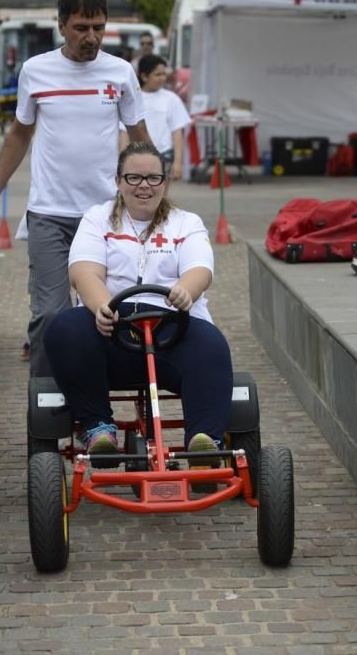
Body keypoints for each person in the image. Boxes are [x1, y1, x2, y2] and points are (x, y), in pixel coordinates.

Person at [0, 0, 152, 377]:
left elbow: (139, 136)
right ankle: (49, 412)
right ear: (62, 25)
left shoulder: (120, 73)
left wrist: (157, 190)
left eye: (99, 27)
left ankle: (91, 407)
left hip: (105, 216)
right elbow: (19, 134)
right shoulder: (36, 70)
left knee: (106, 313)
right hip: (49, 213)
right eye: (82, 27)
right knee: (50, 316)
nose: (92, 37)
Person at [44, 142, 233, 464]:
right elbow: (84, 271)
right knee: (64, 329)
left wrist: (186, 290)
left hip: (172, 329)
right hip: (111, 330)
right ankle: (98, 429)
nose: (144, 185)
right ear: (118, 181)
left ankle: (205, 442)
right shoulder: (97, 219)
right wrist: (103, 306)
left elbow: (199, 268)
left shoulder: (185, 222)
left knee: (212, 345)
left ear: (165, 182)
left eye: (153, 178)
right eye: (133, 178)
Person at [121, 54, 191, 180]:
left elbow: (177, 132)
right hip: (138, 156)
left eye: (164, 74)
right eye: (157, 74)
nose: (162, 78)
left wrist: (178, 163)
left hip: (164, 154)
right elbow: (124, 132)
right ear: (144, 76)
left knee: (160, 197)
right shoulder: (133, 98)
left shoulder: (172, 99)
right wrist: (122, 161)